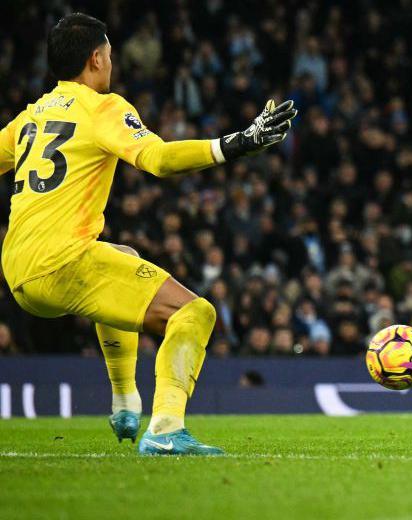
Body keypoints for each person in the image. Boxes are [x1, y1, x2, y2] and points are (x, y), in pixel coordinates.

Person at [0, 14, 295, 455]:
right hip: (62, 263)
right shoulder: (103, 108)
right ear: (97, 58)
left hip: (18, 269)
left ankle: (124, 401)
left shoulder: (29, 118)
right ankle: (165, 429)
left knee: (123, 253)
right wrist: (237, 142)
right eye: (110, 56)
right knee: (195, 313)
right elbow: (157, 159)